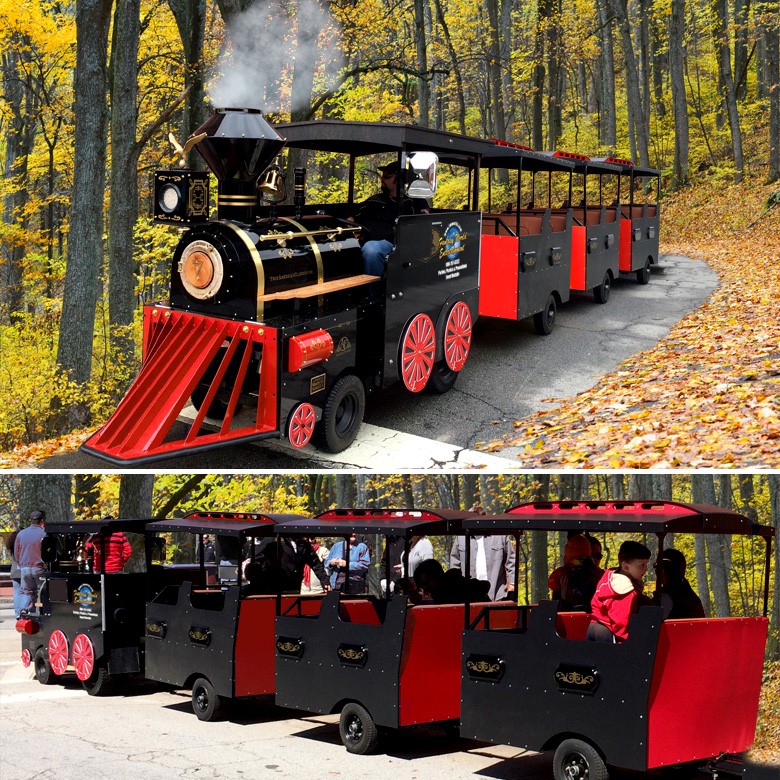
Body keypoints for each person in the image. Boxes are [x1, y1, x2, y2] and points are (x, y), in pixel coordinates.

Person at [351, 161, 415, 280]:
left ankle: (373, 291)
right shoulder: (375, 199)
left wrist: (371, 232)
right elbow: (354, 211)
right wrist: (350, 217)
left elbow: (405, 231)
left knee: (371, 250)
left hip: (392, 243)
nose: (381, 179)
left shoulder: (407, 204)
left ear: (398, 180)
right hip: (366, 238)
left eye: (386, 176)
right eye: (382, 176)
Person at [587, 540, 652, 643]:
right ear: (626, 566)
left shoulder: (609, 578)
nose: (645, 569)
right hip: (607, 634)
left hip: (593, 627)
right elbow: (620, 623)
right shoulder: (624, 590)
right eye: (642, 565)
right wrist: (626, 642)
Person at [449, 529, 516, 601]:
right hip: (469, 598)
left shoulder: (500, 535)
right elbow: (454, 567)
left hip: (497, 596)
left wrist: (512, 584)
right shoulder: (461, 537)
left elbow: (512, 561)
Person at [250, 536, 330, 594]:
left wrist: (325, 581)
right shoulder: (273, 539)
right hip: (274, 586)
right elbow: (257, 558)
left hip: (294, 586)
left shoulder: (302, 543)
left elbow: (315, 563)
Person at [548, 533, 601, 611]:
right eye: (579, 560)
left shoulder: (601, 580)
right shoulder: (562, 576)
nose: (594, 560)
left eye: (598, 556)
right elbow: (556, 612)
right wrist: (563, 599)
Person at [412, 559, 489, 604]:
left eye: (425, 583)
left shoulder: (455, 585)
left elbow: (485, 585)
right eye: (421, 586)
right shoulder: (438, 594)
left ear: (436, 576)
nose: (425, 588)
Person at [14, 510, 46, 614]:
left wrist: (21, 564)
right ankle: (40, 612)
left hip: (25, 568)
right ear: (41, 520)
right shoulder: (44, 533)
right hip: (39, 567)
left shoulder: (21, 534)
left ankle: (25, 610)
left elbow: (17, 552)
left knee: (27, 592)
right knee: (41, 591)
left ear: (30, 520)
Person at [658, 548, 705, 619]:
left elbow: (651, 622)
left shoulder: (667, 598)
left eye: (657, 566)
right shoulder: (688, 593)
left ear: (664, 570)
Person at [6, 531, 22, 618]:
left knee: (17, 593)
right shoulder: (22, 543)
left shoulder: (12, 544)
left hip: (15, 570)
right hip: (23, 569)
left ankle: (18, 613)